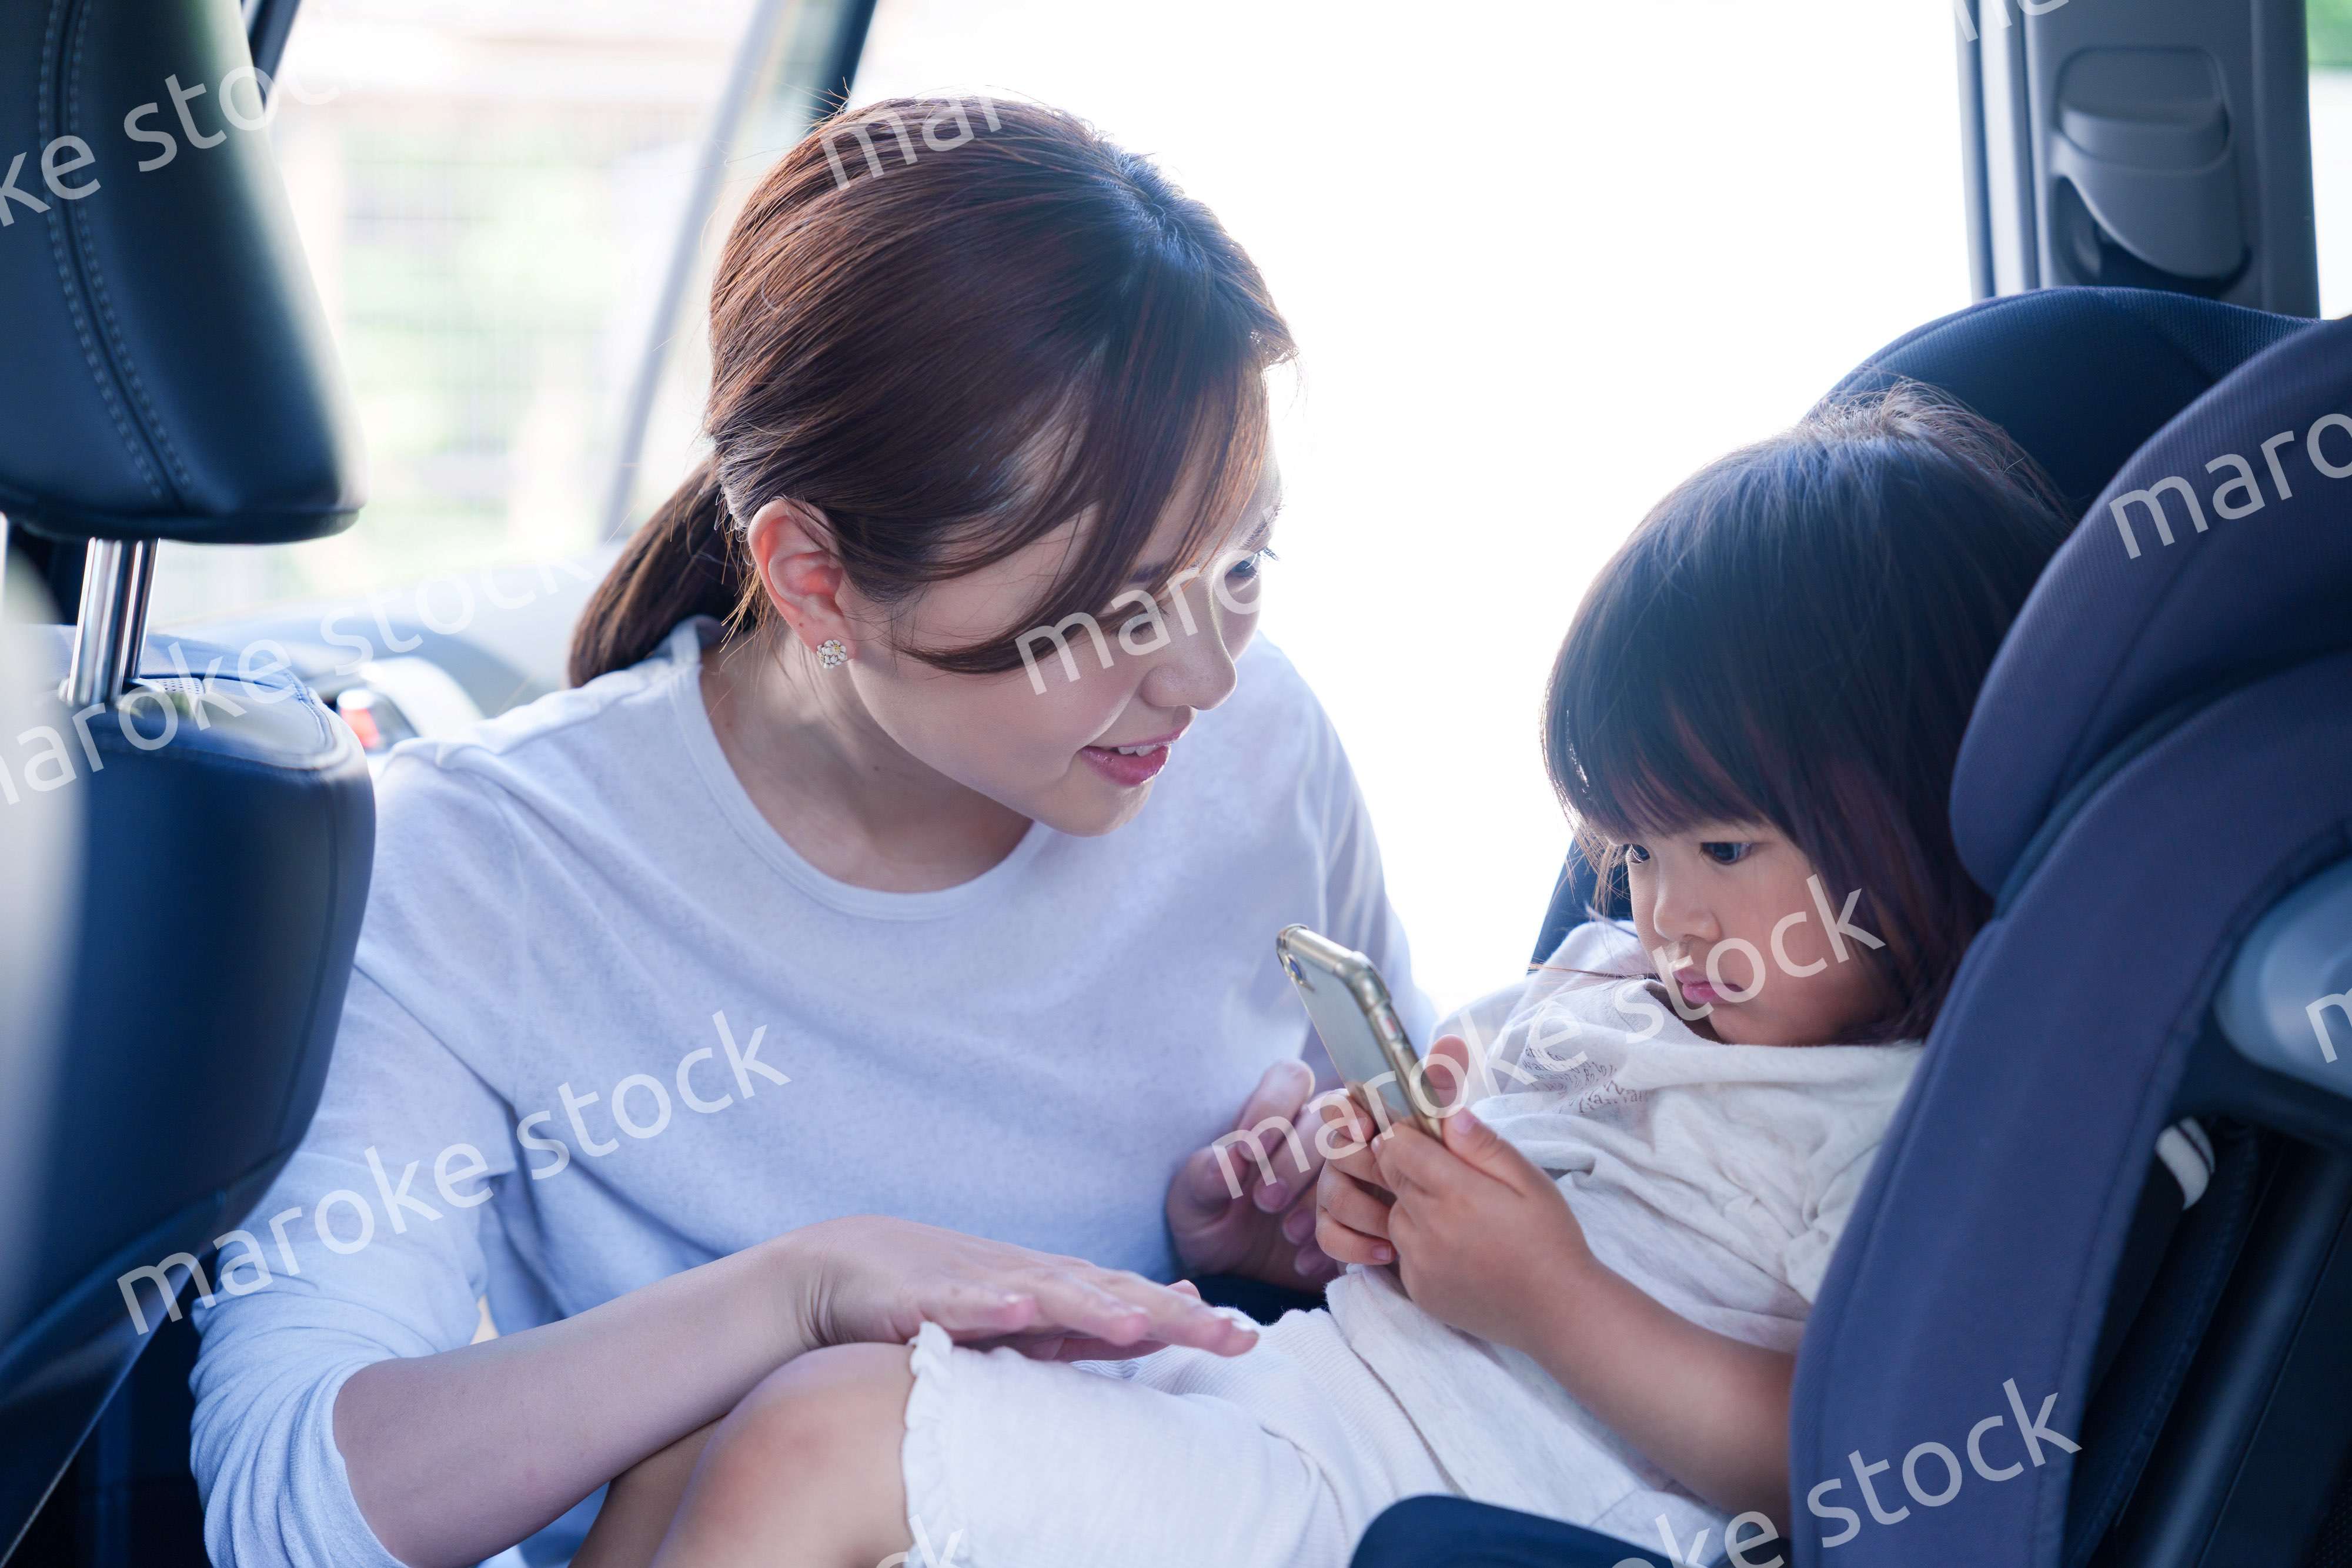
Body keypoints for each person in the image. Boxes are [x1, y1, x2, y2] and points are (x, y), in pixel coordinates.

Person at [191, 98, 1428, 1568]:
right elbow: (289, 1511)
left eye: (1241, 564)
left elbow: (1430, 1199)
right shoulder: (483, 872)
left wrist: (1318, 1230)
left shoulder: (1254, 743)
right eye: (1111, 610)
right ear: (817, 576)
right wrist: (801, 1293)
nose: (1202, 675)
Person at [563, 385, 2078, 1568]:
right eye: (1632, 851)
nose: (1663, 915)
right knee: (689, 1433)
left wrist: (1543, 1293)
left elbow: (1843, 1462)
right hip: (1296, 1403)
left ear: (1939, 808)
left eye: (1725, 850)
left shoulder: (1924, 1120)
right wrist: (1340, 1210)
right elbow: (1433, 1209)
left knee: (818, 1442)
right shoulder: (1614, 988)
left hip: (1423, 1514)